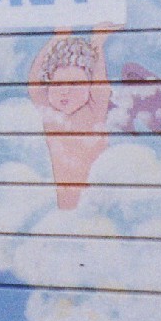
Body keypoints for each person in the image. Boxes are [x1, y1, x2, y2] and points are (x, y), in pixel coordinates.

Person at [28, 27, 115, 210]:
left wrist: (98, 41)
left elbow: (100, 84)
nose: (65, 91)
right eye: (58, 83)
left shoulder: (94, 111)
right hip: (66, 208)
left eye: (75, 84)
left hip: (96, 205)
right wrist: (58, 37)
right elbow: (35, 80)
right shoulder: (51, 115)